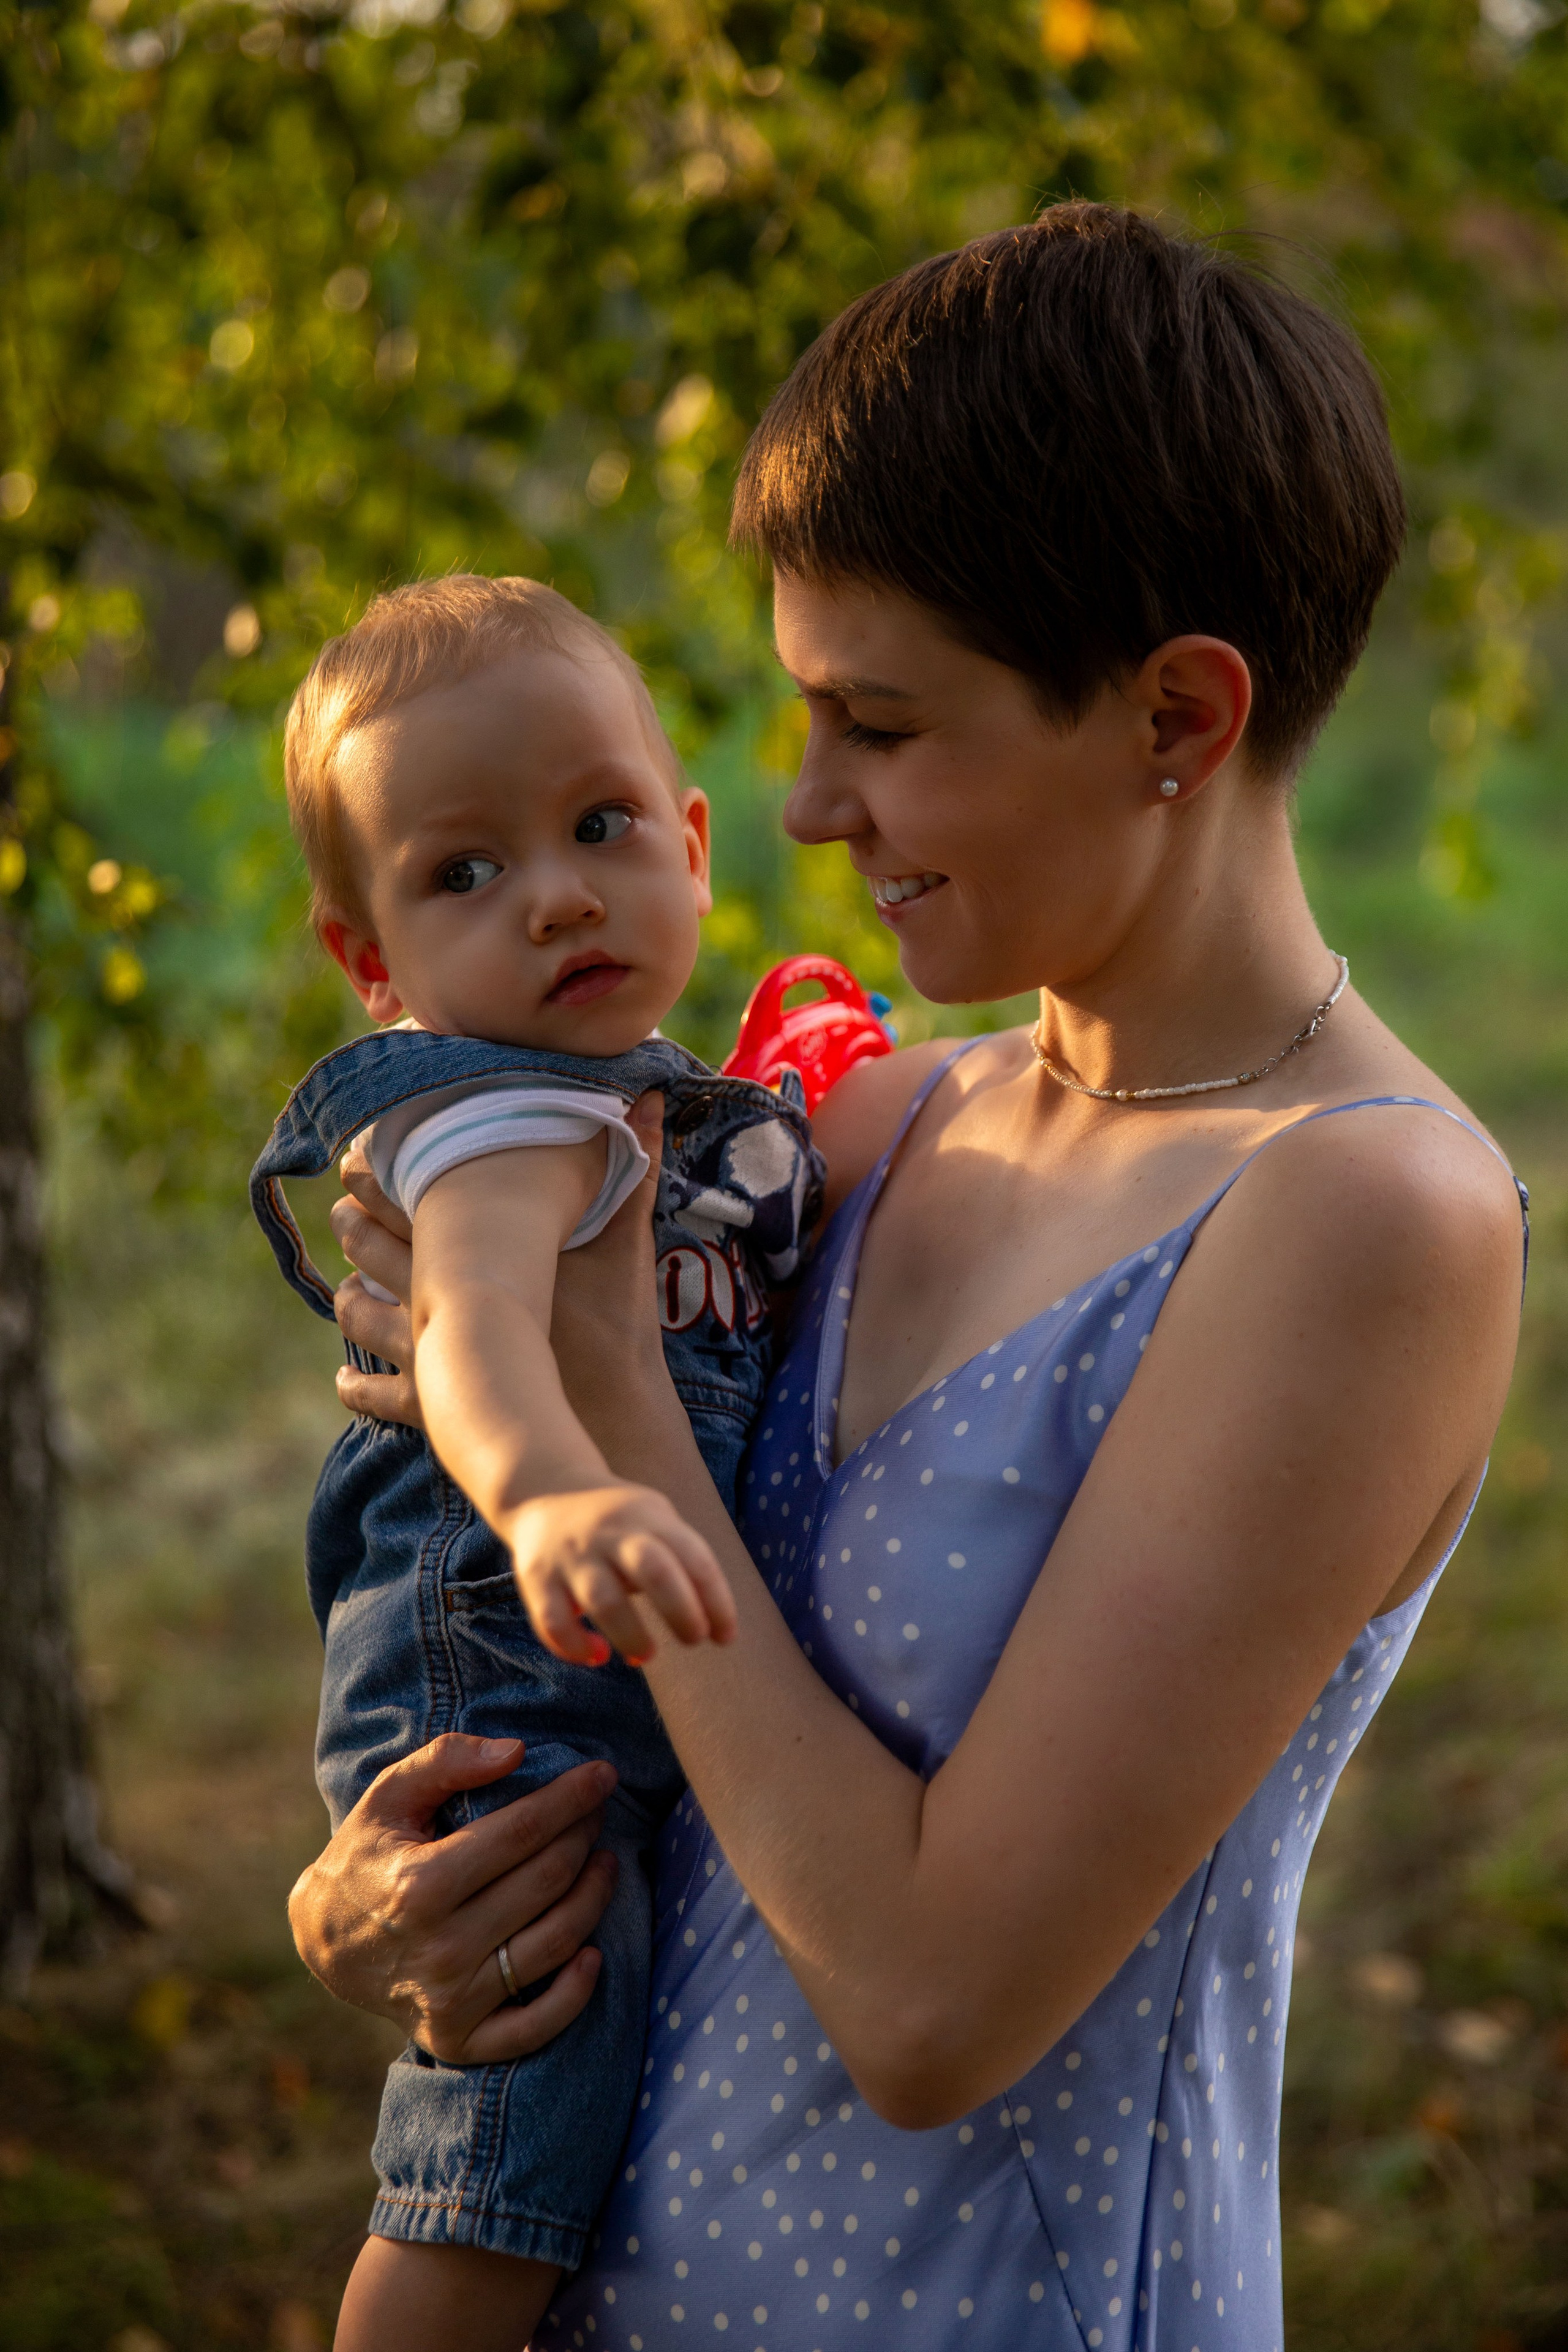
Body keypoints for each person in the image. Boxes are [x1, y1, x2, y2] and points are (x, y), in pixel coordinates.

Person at [289, 206, 1527, 2350]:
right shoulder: (861, 1131)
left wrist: (613, 1387)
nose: (803, 803)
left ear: (1177, 712)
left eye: (879, 723)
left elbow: (939, 2005)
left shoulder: (1362, 1220)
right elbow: (525, 1651)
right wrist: (380, 1899)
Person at [249, 574, 822, 2351]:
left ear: (693, 840)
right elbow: (477, 1334)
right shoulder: (499, 1114)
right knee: (519, 2104)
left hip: (583, 1661)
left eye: (598, 825)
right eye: (464, 873)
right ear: (373, 962)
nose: (560, 893)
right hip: (506, 1675)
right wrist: (556, 1491)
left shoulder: (643, 1098)